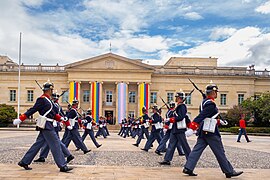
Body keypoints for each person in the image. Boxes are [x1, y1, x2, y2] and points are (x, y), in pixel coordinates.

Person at [183, 82, 243, 178]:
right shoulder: (210, 104)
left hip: (203, 131)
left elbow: (209, 118)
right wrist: (192, 127)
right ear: (213, 93)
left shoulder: (204, 103)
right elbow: (202, 116)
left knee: (196, 150)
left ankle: (188, 168)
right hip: (211, 132)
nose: (217, 94)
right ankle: (229, 171)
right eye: (216, 92)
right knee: (220, 152)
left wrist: (219, 122)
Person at [13, 81, 73, 172]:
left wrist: (61, 119)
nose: (52, 91)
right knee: (56, 144)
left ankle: (25, 161)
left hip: (48, 124)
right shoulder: (42, 99)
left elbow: (52, 114)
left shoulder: (49, 100)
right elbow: (33, 110)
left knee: (38, 144)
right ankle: (62, 165)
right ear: (49, 90)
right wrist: (21, 119)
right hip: (46, 125)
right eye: (51, 90)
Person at [34, 91, 74, 164]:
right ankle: (42, 156)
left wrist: (67, 124)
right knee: (44, 141)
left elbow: (59, 115)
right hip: (48, 125)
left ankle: (67, 155)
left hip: (52, 125)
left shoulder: (54, 105)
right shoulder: (53, 104)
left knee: (55, 142)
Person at [159, 92, 191, 165]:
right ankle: (167, 159)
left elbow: (181, 117)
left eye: (176, 97)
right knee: (171, 145)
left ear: (179, 98)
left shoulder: (182, 106)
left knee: (184, 145)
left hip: (180, 129)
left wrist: (171, 119)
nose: (175, 98)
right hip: (175, 129)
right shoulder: (178, 106)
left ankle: (190, 159)